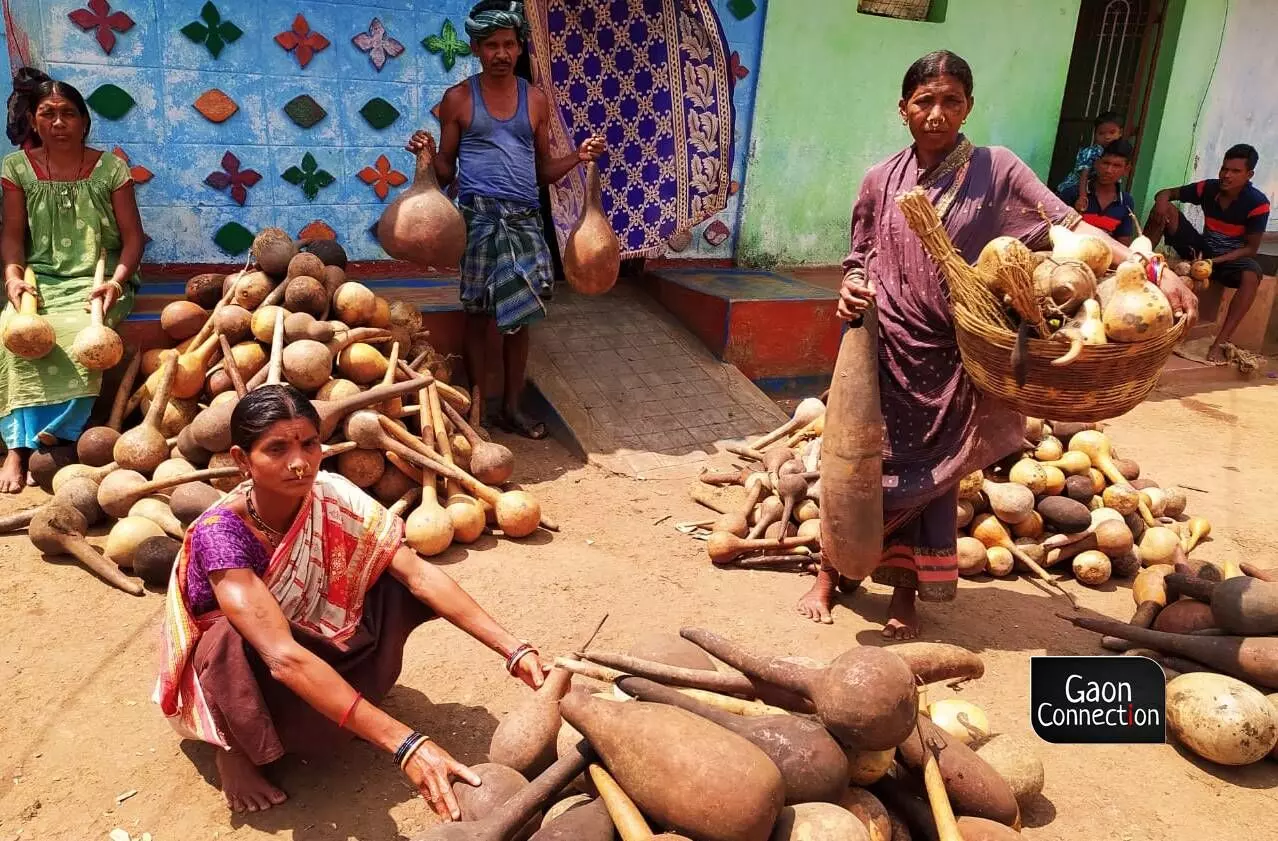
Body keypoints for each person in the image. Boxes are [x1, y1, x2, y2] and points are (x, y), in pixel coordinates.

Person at [796, 51, 1196, 636]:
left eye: (950, 100)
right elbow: (860, 256)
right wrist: (852, 285)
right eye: (924, 100)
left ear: (969, 107)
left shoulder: (998, 169)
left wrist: (1155, 269)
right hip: (882, 348)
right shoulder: (881, 179)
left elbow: (1073, 229)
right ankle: (829, 571)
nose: (936, 112)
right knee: (855, 465)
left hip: (956, 355)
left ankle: (905, 591)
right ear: (903, 107)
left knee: (936, 480)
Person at [155, 385, 547, 818]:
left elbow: (417, 574)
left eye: (309, 444)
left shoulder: (331, 492)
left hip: (309, 634)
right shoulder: (222, 534)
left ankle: (346, 705)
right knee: (229, 639)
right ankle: (231, 749)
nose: (299, 462)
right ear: (242, 460)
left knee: (389, 572)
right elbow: (282, 657)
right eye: (277, 449)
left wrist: (514, 649)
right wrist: (407, 744)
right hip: (247, 666)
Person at [406, 0, 604, 440]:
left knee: (520, 320)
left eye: (509, 44)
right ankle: (477, 411)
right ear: (476, 48)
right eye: (492, 44)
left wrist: (579, 157)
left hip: (525, 222)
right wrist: (425, 155)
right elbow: (445, 171)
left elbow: (542, 172)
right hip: (477, 221)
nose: (501, 53)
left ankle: (512, 409)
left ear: (519, 47)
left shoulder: (535, 100)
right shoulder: (458, 99)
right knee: (476, 317)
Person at [0, 69, 142, 492]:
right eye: (47, 114)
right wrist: (12, 279)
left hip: (101, 276)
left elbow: (134, 237)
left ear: (84, 121)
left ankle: (61, 436)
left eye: (68, 114)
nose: (58, 123)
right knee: (13, 332)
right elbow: (10, 235)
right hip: (38, 276)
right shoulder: (17, 169)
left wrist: (116, 282)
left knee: (86, 336)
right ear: (33, 120)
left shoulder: (111, 169)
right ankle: (17, 448)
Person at [1144, 144, 1270, 363]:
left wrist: (1213, 262)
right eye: (1224, 169)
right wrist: (1161, 203)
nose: (1226, 175)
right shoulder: (1208, 188)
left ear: (1249, 175)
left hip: (1228, 260)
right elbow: (1166, 193)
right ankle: (1141, 261)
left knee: (1252, 274)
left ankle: (1220, 342)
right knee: (1167, 211)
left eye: (1235, 171)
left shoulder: (1257, 203)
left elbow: (1251, 249)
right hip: (1201, 251)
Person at [1058, 139, 1138, 247]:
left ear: (1126, 170)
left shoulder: (1126, 201)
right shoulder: (1072, 194)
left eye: (1116, 166)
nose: (1109, 170)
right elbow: (1056, 232)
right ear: (1096, 164)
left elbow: (1123, 243)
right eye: (1106, 163)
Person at [1056, 111, 1124, 201]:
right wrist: (1082, 197)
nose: (1107, 137)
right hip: (1074, 189)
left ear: (1120, 133)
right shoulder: (1091, 152)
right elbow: (1084, 175)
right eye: (1101, 133)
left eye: (1112, 133)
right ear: (1095, 134)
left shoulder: (1119, 153)